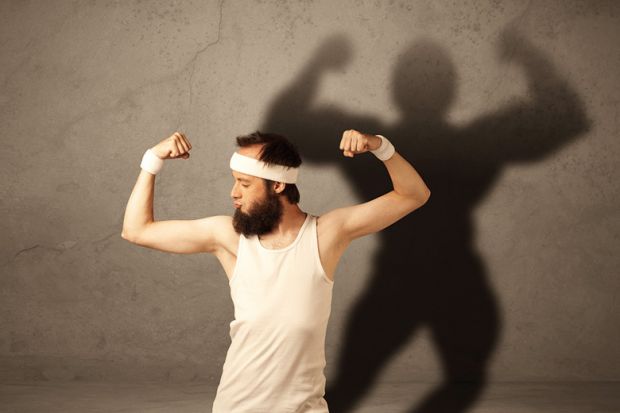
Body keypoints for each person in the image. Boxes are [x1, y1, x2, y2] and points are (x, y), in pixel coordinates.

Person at [121, 129, 430, 412]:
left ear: (279, 185)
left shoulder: (325, 235)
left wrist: (379, 146)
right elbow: (136, 230)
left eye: (244, 183)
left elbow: (414, 195)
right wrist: (152, 160)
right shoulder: (229, 238)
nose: (234, 193)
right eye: (234, 181)